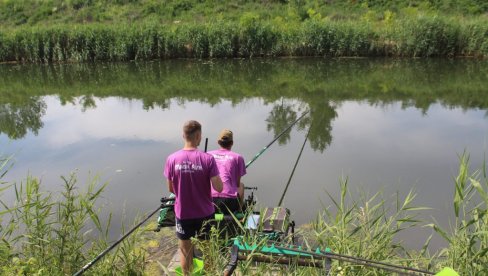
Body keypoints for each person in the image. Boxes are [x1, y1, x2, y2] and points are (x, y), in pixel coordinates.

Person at [164, 120, 223, 275]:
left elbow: (171, 188)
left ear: (183, 135)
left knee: (184, 250)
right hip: (205, 212)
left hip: (183, 213)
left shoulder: (171, 159)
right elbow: (219, 187)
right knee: (207, 249)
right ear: (198, 136)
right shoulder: (208, 159)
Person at [208, 129, 247, 214]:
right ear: (232, 143)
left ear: (218, 142)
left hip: (209, 200)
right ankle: (239, 212)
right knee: (241, 185)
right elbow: (237, 183)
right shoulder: (238, 157)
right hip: (229, 202)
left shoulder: (208, 155)